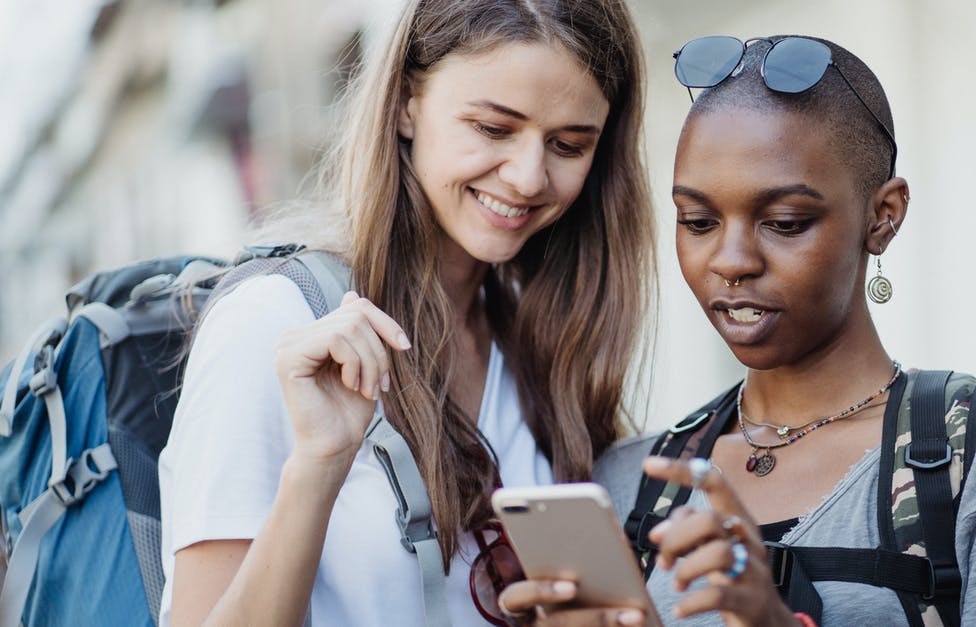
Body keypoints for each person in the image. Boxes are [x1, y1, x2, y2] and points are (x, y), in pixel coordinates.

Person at [498, 35, 976, 626]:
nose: (732, 260)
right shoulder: (633, 487)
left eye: (786, 221)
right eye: (697, 220)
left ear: (883, 217)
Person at [156, 1, 653, 625]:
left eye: (568, 145)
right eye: (494, 129)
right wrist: (318, 466)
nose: (529, 177)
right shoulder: (275, 322)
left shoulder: (540, 333)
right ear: (405, 103)